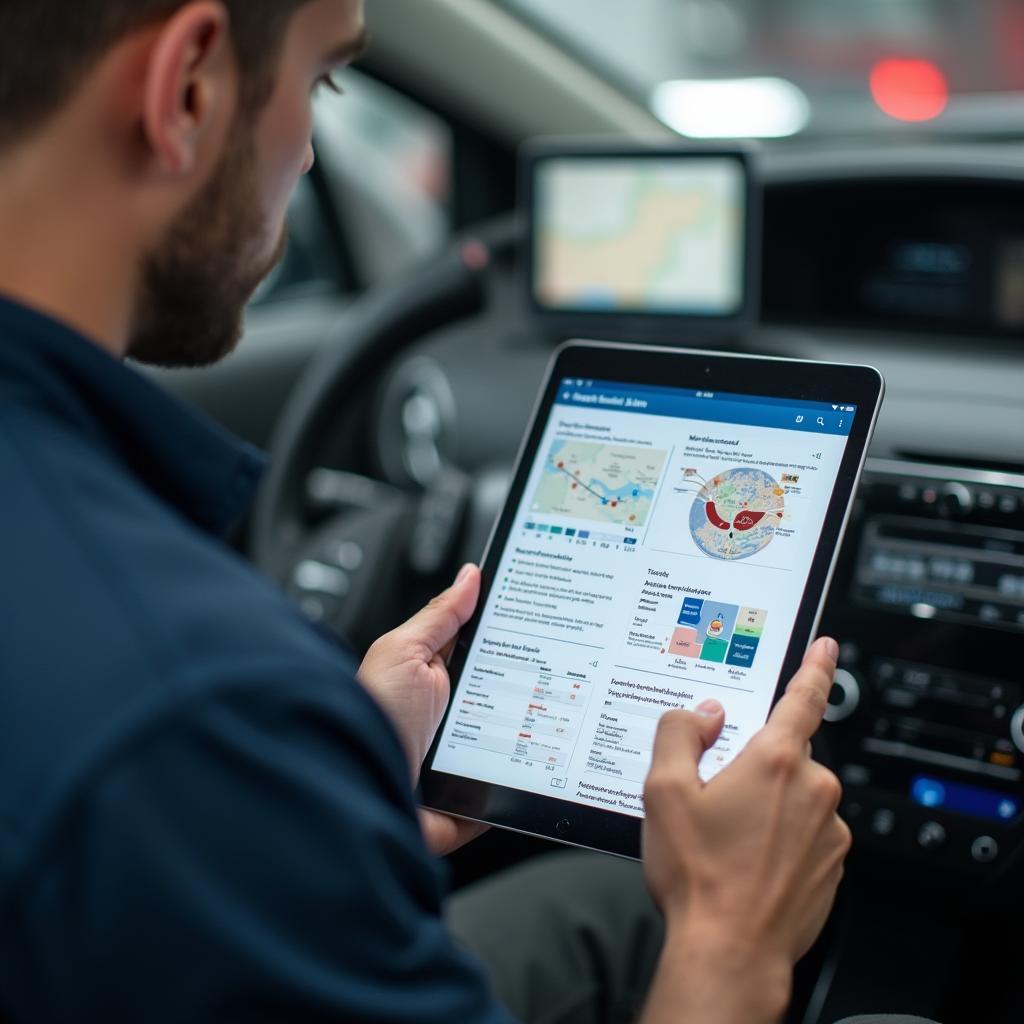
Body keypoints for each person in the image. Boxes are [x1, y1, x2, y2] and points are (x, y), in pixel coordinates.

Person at [0, 1, 934, 1021]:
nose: (310, 153)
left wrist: (330, 790)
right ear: (187, 87)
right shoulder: (198, 710)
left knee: (608, 895)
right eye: (319, 84)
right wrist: (729, 936)